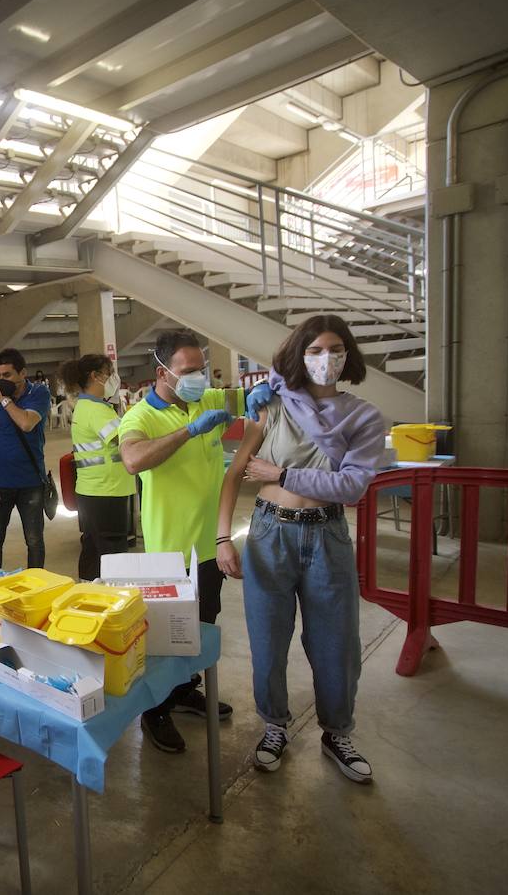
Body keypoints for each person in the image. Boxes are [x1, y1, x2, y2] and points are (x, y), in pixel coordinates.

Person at [216, 315, 385, 784]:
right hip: (270, 532)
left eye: (334, 349)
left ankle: (337, 732)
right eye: (314, 350)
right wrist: (222, 536)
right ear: (298, 354)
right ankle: (274, 726)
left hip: (327, 534)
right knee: (267, 641)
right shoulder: (272, 405)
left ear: (347, 354)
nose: (324, 359)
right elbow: (235, 474)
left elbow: (351, 487)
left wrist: (282, 475)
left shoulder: (363, 417)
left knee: (336, 643)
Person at [119, 330, 273, 754]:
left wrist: (259, 392)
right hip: (170, 551)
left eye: (201, 370)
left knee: (202, 626)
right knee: (165, 637)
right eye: (188, 372)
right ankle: (155, 709)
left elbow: (245, 400)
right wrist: (188, 432)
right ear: (162, 373)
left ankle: (186, 689)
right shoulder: (141, 416)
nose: (198, 379)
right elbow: (132, 459)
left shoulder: (206, 399)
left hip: (210, 544)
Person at [59, 354, 134, 580]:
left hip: (93, 491)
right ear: (95, 376)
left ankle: (87, 591)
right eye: (109, 374)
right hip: (106, 492)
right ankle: (114, 601)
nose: (113, 379)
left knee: (93, 549)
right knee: (113, 553)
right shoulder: (97, 410)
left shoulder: (89, 406)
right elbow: (127, 440)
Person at [0, 348, 51, 568]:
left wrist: (3, 400)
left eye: (7, 375)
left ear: (22, 373)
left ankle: (37, 586)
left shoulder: (38, 393)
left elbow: (26, 423)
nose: (1, 381)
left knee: (34, 541)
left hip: (30, 483)